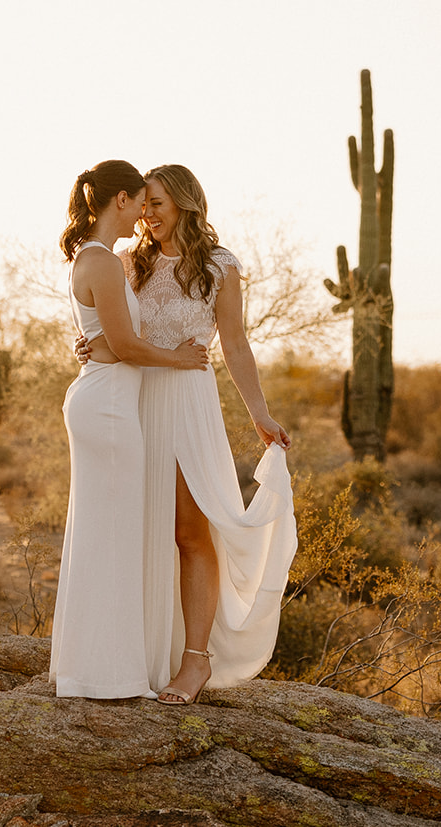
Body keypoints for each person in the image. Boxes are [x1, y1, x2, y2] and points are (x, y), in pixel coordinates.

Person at [125, 164, 297, 705]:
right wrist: (85, 347)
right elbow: (107, 326)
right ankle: (139, 656)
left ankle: (195, 661)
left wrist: (260, 414)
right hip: (132, 399)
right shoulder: (130, 261)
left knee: (189, 531)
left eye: (156, 204)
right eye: (142, 204)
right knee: (139, 532)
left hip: (187, 404)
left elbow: (236, 344)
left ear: (185, 202)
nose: (147, 215)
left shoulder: (220, 267)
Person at [51, 160, 210, 699]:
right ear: (119, 201)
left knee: (106, 535)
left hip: (108, 396)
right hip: (111, 405)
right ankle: (108, 674)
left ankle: (96, 667)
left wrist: (96, 344)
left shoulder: (98, 260)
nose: (145, 211)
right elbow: (123, 344)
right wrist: (179, 359)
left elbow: (107, 336)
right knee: (113, 537)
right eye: (140, 200)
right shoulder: (104, 262)